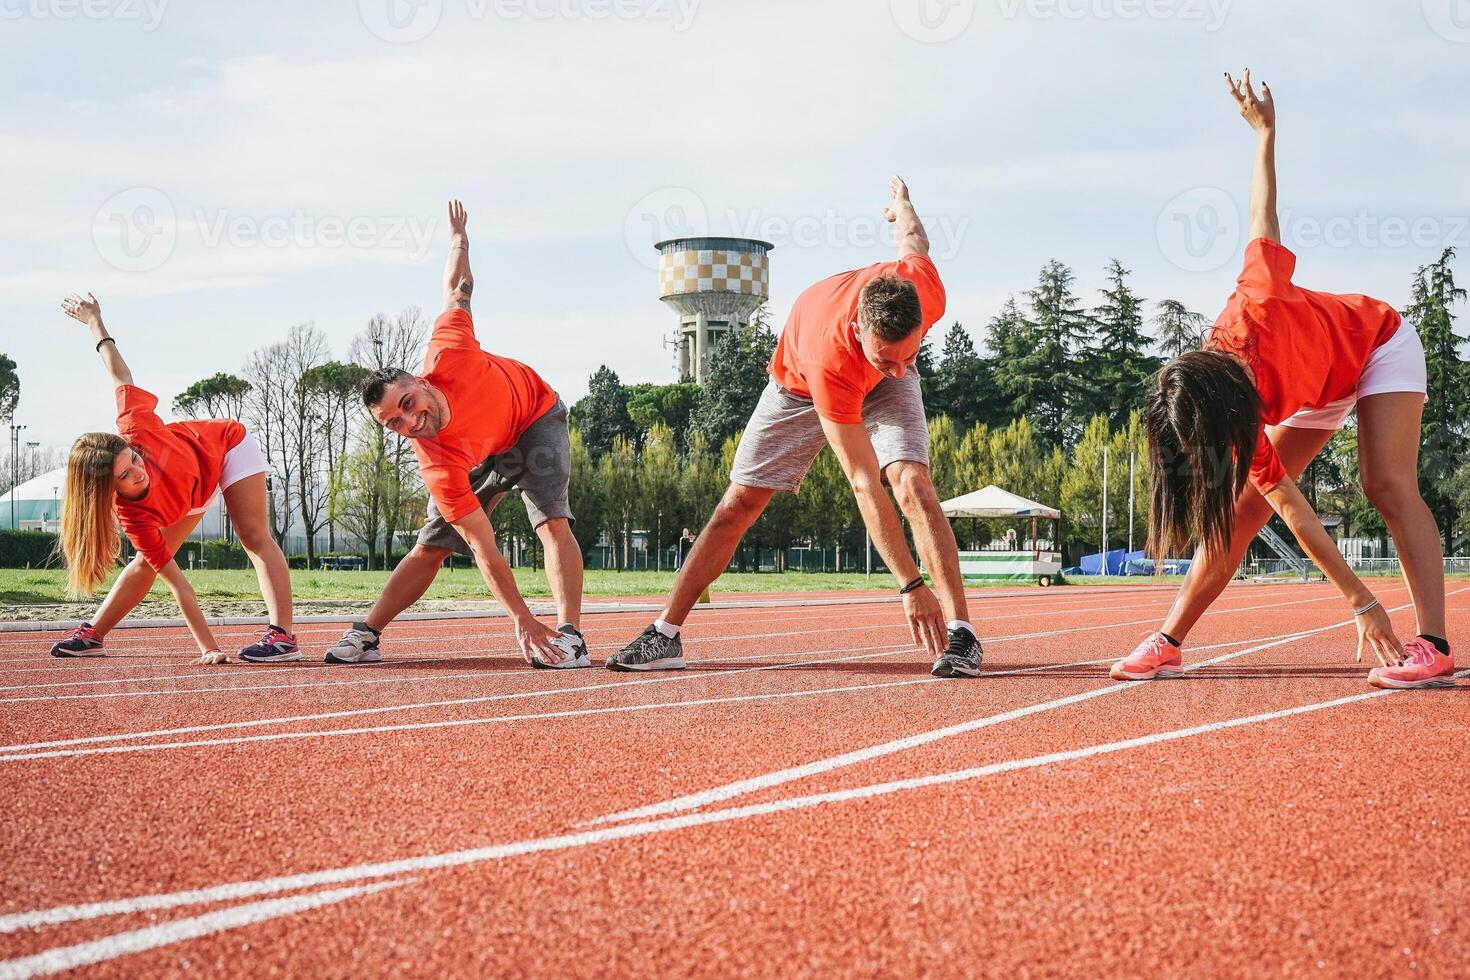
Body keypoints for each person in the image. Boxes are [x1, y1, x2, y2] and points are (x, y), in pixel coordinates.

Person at [1112, 71, 1453, 690]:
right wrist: (1359, 598)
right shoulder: (1221, 406)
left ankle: (1433, 645)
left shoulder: (1259, 298)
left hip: (1373, 345)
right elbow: (1290, 511)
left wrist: (1264, 134)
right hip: (1315, 390)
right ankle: (1169, 640)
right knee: (1241, 511)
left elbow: (1261, 217)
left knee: (1385, 483)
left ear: (1231, 397)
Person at [607, 177, 984, 678]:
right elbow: (862, 481)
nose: (899, 369)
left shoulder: (922, 291)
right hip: (800, 388)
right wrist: (911, 587)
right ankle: (665, 634)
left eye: (910, 354)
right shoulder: (832, 357)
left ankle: (963, 636)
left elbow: (913, 240)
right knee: (736, 506)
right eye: (886, 357)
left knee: (912, 481)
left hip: (857, 368)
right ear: (858, 331)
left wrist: (902, 206)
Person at [325, 200, 587, 669]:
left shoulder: (451, 350)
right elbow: (483, 546)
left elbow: (457, 289)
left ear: (422, 383)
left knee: (551, 521)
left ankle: (571, 638)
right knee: (432, 544)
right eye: (395, 425)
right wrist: (522, 618)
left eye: (408, 404)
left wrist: (458, 241)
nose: (410, 422)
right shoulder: (436, 462)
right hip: (483, 451)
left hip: (533, 416)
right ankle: (366, 635)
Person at [50, 293, 297, 664]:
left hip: (225, 447)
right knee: (145, 563)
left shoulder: (136, 426)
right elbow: (180, 585)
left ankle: (282, 637)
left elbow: (119, 374)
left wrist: (94, 324)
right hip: (190, 493)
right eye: (126, 475)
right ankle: (93, 634)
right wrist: (209, 648)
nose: (139, 469)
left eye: (133, 459)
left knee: (252, 535)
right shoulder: (133, 516)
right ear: (108, 491)